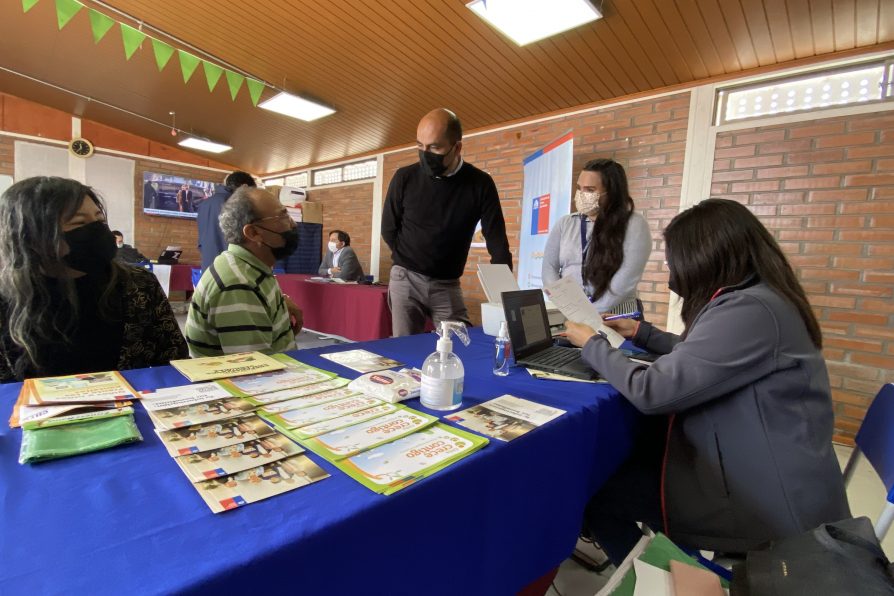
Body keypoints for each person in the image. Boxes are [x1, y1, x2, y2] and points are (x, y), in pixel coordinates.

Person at [563, 198, 850, 564]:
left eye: (673, 259)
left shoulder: (750, 309)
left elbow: (653, 392)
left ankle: (662, 581)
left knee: (596, 494)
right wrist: (643, 333)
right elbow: (707, 355)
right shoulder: (761, 297)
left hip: (762, 499)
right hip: (755, 468)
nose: (672, 269)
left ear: (705, 257)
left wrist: (593, 344)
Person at [0, 177, 188, 382]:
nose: (97, 231)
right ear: (31, 238)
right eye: (79, 223)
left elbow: (175, 361)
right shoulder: (5, 299)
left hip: (128, 409)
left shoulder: (139, 286)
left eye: (100, 220)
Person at [381, 108, 512, 336]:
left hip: (447, 284)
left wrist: (505, 294)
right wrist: (412, 257)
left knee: (461, 344)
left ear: (457, 147)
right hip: (406, 279)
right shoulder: (404, 177)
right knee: (405, 347)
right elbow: (388, 228)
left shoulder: (480, 184)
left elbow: (497, 240)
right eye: (420, 146)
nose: (425, 153)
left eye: (434, 147)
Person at [186, 187, 303, 357]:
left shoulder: (249, 267)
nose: (292, 223)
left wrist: (280, 302)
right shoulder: (238, 284)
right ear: (253, 233)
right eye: (283, 216)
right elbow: (255, 372)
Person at [542, 159, 651, 312]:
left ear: (612, 192)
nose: (582, 194)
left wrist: (593, 313)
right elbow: (549, 267)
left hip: (615, 317)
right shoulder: (566, 223)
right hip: (571, 314)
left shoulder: (633, 224)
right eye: (579, 188)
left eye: (590, 190)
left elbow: (627, 277)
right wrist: (565, 304)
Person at [197, 171, 256, 271]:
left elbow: (201, 241)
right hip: (231, 268)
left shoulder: (204, 204)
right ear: (244, 186)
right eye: (251, 191)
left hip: (208, 267)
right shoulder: (238, 203)